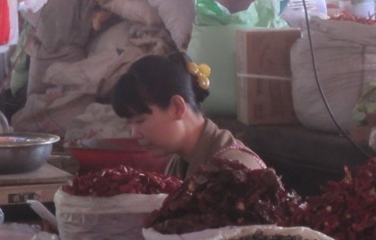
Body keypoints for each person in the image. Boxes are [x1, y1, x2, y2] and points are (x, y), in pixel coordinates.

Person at [112, 52, 265, 179]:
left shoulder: (234, 170)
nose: (134, 133)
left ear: (178, 107)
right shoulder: (178, 164)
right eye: (130, 123)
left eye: (140, 120)